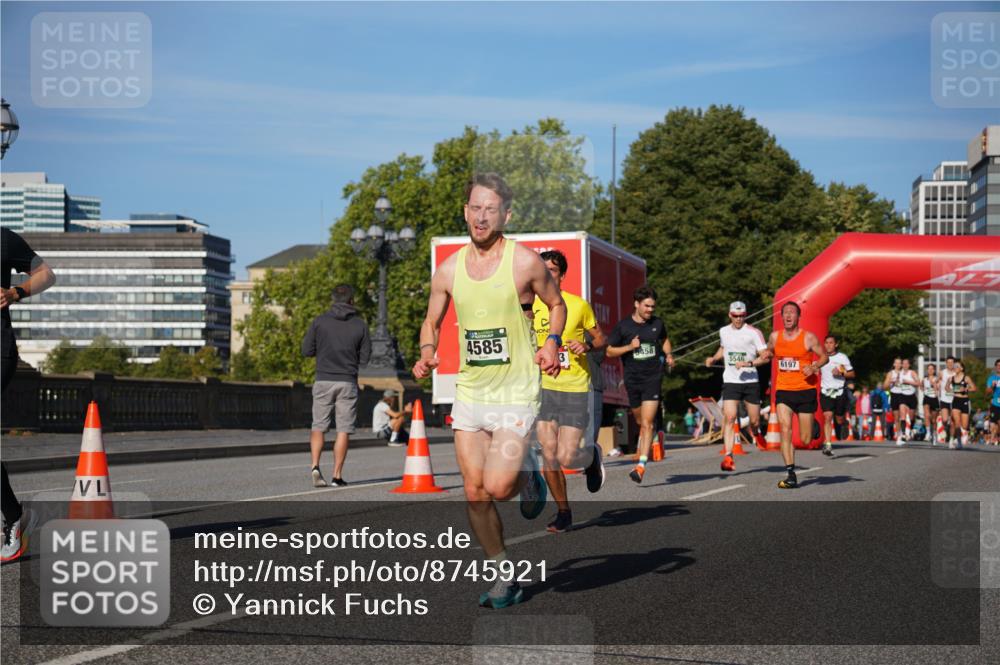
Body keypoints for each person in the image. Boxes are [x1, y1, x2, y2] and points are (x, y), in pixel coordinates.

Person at [412, 173, 565, 609]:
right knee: (474, 491)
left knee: (498, 487)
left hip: (516, 390)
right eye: (475, 208)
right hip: (471, 392)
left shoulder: (525, 263)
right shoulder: (448, 270)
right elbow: (431, 321)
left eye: (491, 210)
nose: (481, 217)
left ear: (506, 216)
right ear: (466, 212)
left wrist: (551, 342)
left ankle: (528, 474)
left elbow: (556, 304)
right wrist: (427, 352)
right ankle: (504, 577)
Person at [532, 249, 607, 533]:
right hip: (543, 389)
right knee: (549, 455)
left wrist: (586, 345)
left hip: (574, 387)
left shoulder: (578, 305)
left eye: (552, 270)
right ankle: (564, 512)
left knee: (567, 457)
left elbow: (601, 339)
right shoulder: (528, 306)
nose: (546, 275)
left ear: (562, 275)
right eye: (542, 269)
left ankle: (591, 457)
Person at [2, 228, 56, 562]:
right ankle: (15, 516)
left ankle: (14, 518)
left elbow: (46, 274)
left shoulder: (4, 240)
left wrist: (16, 292)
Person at [302, 284, 372, 487]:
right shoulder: (360, 325)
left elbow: (306, 350)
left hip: (323, 379)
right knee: (343, 430)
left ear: (333, 299)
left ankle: (315, 466)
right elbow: (365, 359)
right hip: (347, 381)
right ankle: (336, 476)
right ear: (352, 301)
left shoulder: (319, 321)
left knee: (318, 426)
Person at [606, 285, 674, 484]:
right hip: (632, 379)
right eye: (647, 306)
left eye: (653, 306)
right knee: (639, 421)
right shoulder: (624, 327)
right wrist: (629, 347)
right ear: (637, 304)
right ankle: (653, 437)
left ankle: (641, 467)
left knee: (646, 423)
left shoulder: (657, 324)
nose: (650, 310)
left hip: (653, 378)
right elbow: (609, 351)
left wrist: (669, 355)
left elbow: (664, 340)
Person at [704, 301, 770, 471]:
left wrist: (749, 363)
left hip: (750, 382)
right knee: (730, 417)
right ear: (730, 315)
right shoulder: (723, 331)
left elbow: (766, 357)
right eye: (735, 316)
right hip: (731, 381)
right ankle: (728, 456)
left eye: (741, 316)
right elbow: (723, 348)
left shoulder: (754, 333)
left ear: (745, 315)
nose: (738, 319)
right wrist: (714, 358)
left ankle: (756, 433)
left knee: (754, 420)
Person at [767, 301, 827, 489]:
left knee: (806, 439)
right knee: (785, 429)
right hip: (783, 390)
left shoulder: (808, 337)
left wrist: (815, 366)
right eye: (785, 312)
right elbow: (769, 352)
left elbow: (825, 356)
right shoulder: (775, 337)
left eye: (792, 312)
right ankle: (791, 473)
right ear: (781, 316)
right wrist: (761, 357)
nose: (788, 315)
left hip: (805, 390)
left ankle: (813, 424)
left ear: (798, 317)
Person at [818, 334, 854, 456]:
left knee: (839, 419)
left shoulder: (842, 358)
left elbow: (852, 374)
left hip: (839, 391)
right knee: (828, 417)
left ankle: (844, 423)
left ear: (836, 344)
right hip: (825, 391)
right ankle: (828, 445)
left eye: (831, 343)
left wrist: (840, 373)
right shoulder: (821, 357)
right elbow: (816, 369)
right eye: (826, 343)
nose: (828, 345)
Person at [948, 360, 976, 449]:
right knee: (957, 422)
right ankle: (958, 441)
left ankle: (957, 438)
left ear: (961, 368)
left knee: (964, 425)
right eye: (954, 366)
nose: (955, 367)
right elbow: (946, 387)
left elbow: (974, 388)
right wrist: (951, 390)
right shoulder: (951, 378)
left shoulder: (966, 378)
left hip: (965, 401)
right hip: (956, 400)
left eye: (957, 366)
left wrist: (966, 389)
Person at [939, 356, 957, 445]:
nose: (950, 364)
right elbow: (938, 382)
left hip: (954, 399)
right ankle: (946, 428)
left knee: (953, 421)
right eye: (948, 362)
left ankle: (951, 439)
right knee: (945, 419)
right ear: (946, 363)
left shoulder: (956, 373)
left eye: (952, 362)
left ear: (954, 363)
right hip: (944, 399)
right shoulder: (942, 373)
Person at [921, 364, 941, 445]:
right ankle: (928, 433)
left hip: (934, 399)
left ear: (934, 370)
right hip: (926, 397)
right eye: (929, 369)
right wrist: (924, 389)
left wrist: (934, 384)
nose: (930, 370)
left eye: (932, 369)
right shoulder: (924, 379)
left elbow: (939, 388)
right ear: (927, 370)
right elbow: (921, 386)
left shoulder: (937, 379)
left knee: (933, 420)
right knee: (926, 415)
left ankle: (934, 435)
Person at [987, 359, 1000, 446]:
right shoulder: (992, 378)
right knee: (994, 424)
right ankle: (994, 437)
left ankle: (995, 437)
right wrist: (992, 386)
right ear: (995, 367)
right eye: (998, 365)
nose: (999, 367)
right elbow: (987, 392)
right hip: (995, 404)